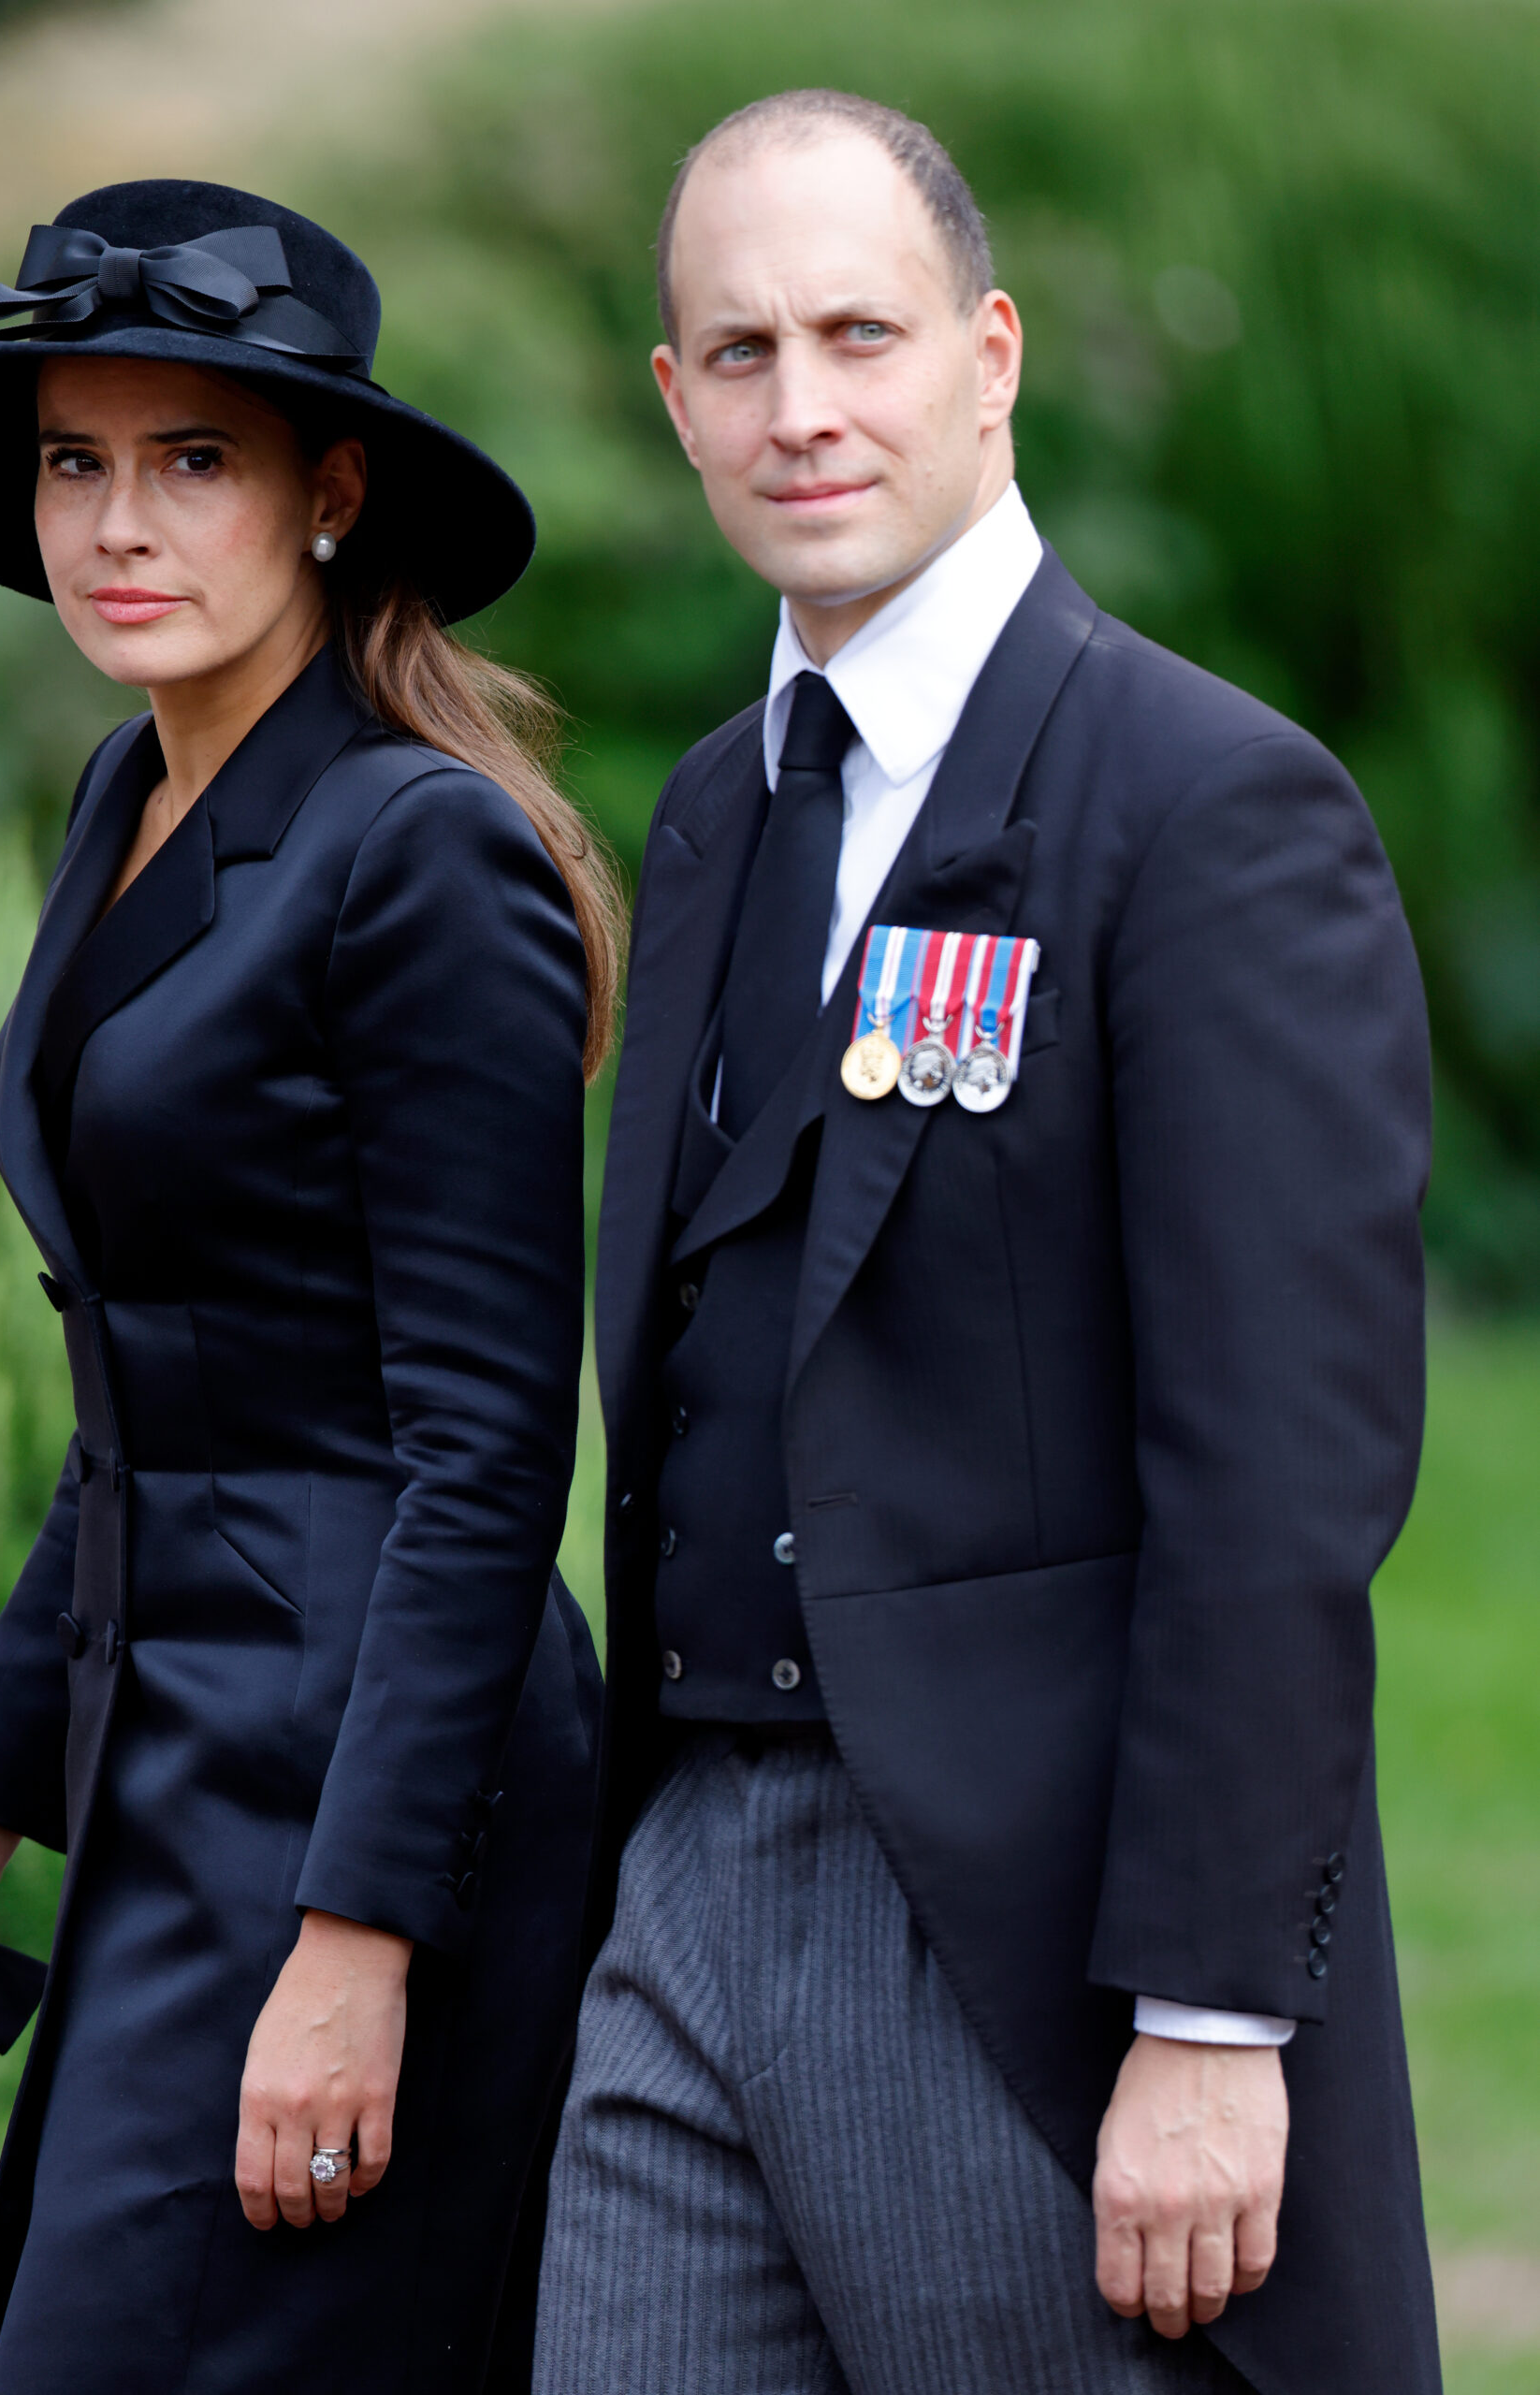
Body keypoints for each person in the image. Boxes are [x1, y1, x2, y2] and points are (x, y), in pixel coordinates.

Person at [533, 90, 1438, 2395]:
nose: (802, 404)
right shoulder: (719, 812)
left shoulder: (1206, 803)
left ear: (994, 354)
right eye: (736, 352)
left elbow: (1277, 1477)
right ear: (673, 401)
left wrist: (1216, 2017)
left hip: (1028, 1939)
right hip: (686, 1887)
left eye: (861, 331)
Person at [0, 178, 617, 2395]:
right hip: (179, 1774)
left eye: (193, 460)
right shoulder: (129, 790)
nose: (114, 523)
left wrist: (360, 1940)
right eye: (76, 459)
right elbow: (157, 1393)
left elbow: (485, 1450)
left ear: (331, 493)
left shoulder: (421, 850)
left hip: (369, 1798)